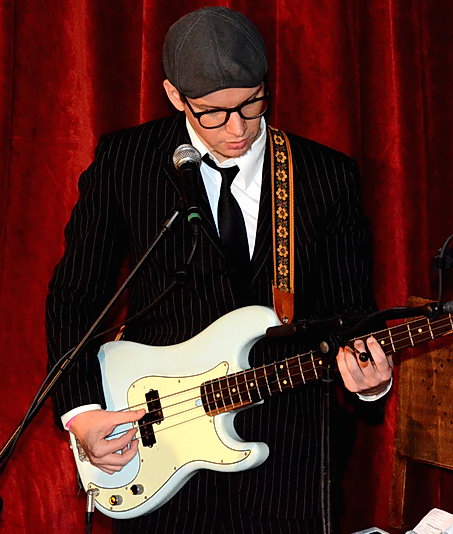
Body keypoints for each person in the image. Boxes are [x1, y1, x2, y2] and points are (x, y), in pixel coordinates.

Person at [46, 6, 392, 533]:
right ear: (174, 95)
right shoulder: (126, 162)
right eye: (212, 112)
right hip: (163, 444)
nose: (237, 128)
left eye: (252, 104)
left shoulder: (325, 175)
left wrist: (369, 382)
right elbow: (75, 295)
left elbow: (352, 313)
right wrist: (83, 412)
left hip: (289, 454)